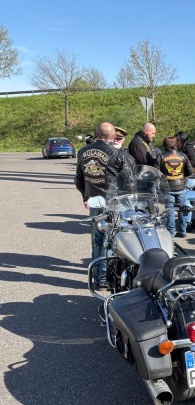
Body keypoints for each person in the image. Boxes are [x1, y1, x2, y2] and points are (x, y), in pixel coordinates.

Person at [74, 122, 126, 289]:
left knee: (97, 240)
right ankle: (105, 279)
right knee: (109, 241)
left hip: (94, 200)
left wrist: (86, 196)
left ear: (96, 134)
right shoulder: (119, 154)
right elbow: (129, 181)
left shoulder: (83, 151)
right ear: (113, 136)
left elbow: (79, 178)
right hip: (113, 201)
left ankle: (96, 277)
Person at [155, 136, 194, 238]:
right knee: (182, 209)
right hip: (181, 186)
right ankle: (182, 231)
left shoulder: (161, 156)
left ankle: (171, 233)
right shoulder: (183, 156)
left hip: (167, 187)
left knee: (169, 210)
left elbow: (156, 172)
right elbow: (190, 171)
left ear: (164, 145)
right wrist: (181, 176)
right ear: (175, 144)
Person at [175, 131, 195, 232]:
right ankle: (193, 221)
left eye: (177, 140)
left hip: (189, 177)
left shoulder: (188, 147)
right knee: (188, 199)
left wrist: (181, 162)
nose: (175, 143)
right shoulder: (188, 146)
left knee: (185, 199)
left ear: (181, 140)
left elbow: (194, 162)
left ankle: (187, 223)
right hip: (191, 177)